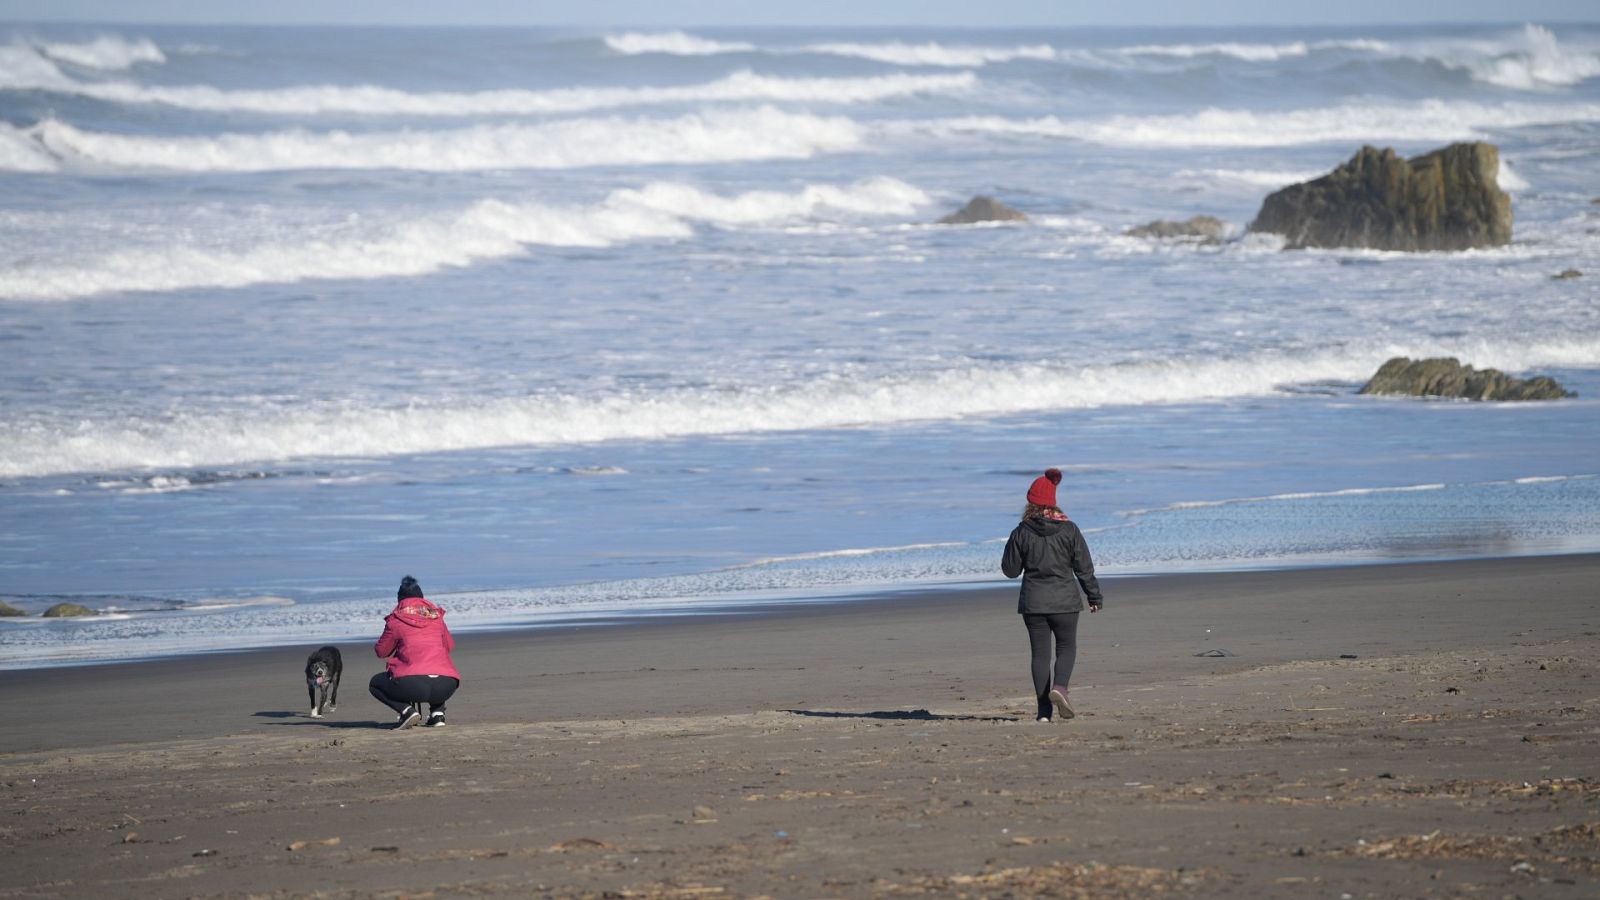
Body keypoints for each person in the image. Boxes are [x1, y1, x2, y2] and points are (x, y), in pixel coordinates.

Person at [1000, 468, 1103, 722]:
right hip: (1065, 601)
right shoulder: (1069, 530)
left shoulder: (1021, 531)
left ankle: (1043, 712)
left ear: (1030, 502)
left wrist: (1015, 544)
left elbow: (1010, 571)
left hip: (1033, 603)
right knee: (1067, 647)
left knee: (1040, 655)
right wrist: (1094, 596)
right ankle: (1060, 688)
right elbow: (1084, 568)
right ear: (1053, 500)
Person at [369, 575, 461, 729]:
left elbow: (381, 651)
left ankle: (406, 711)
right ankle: (437, 714)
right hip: (448, 684)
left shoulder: (396, 620)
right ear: (422, 598)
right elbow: (449, 646)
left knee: (375, 684)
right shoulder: (436, 617)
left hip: (413, 683)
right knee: (435, 666)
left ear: (400, 599)